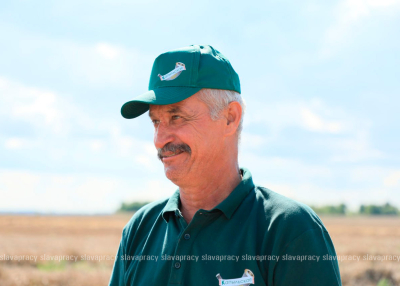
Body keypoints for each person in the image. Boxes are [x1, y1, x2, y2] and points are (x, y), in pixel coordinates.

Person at [109, 45, 342, 286]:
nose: (159, 139)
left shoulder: (289, 230)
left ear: (230, 117)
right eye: (156, 121)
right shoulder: (139, 230)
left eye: (176, 117)